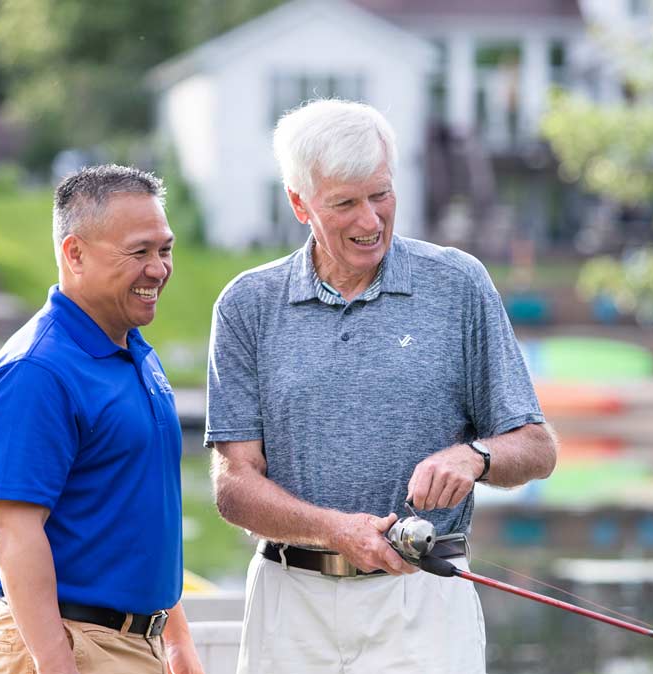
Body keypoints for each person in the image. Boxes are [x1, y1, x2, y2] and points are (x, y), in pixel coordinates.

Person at [206, 99, 558, 673]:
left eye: (381, 195)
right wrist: (335, 531)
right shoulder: (247, 304)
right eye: (345, 203)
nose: (370, 221)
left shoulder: (459, 285)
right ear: (299, 203)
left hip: (424, 604)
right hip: (289, 606)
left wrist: (473, 457)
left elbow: (537, 448)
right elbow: (234, 486)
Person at [0, 165, 203, 674]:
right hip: (72, 644)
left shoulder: (134, 351)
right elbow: (13, 532)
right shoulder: (35, 371)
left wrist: (176, 639)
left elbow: (138, 516)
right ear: (74, 254)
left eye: (164, 250)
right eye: (139, 252)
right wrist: (58, 664)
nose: (158, 269)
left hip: (133, 643)